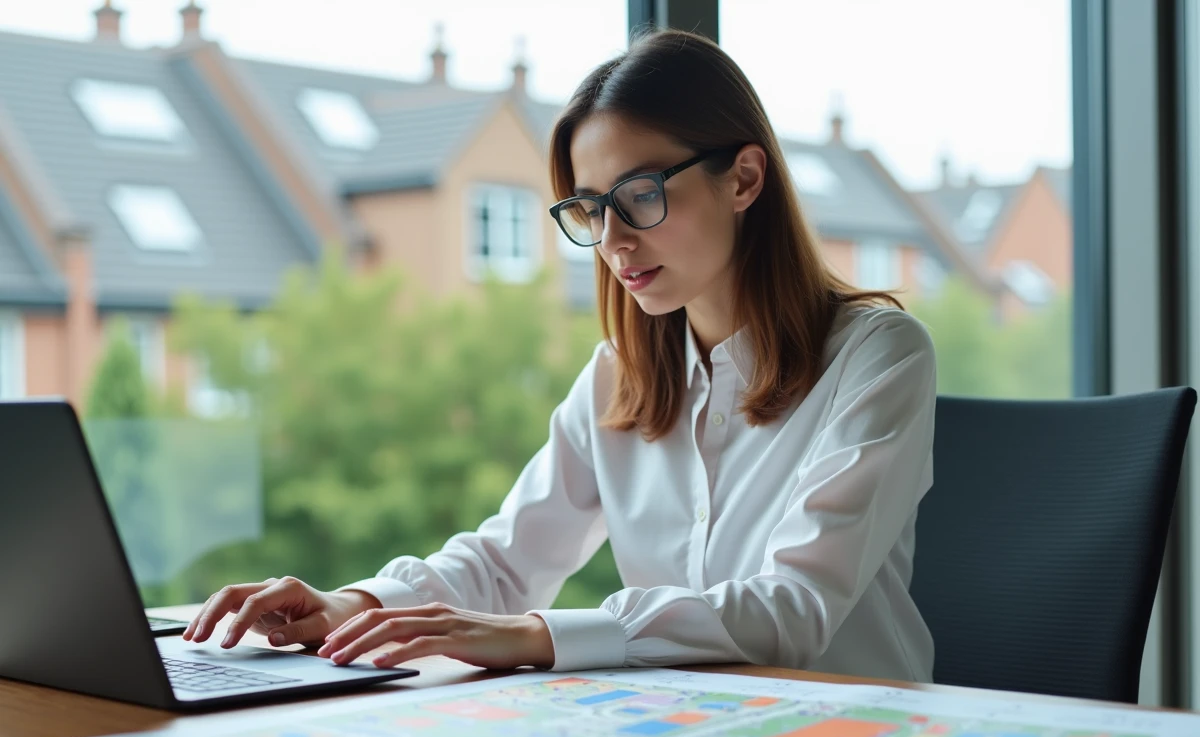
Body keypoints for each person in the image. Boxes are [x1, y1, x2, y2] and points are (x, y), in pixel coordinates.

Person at [184, 28, 937, 683]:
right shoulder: (622, 374)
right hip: (694, 734)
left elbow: (793, 607)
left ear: (743, 178)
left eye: (640, 195)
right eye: (592, 208)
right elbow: (509, 559)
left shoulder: (878, 356)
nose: (612, 241)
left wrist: (541, 636)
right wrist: (355, 604)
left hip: (854, 735)